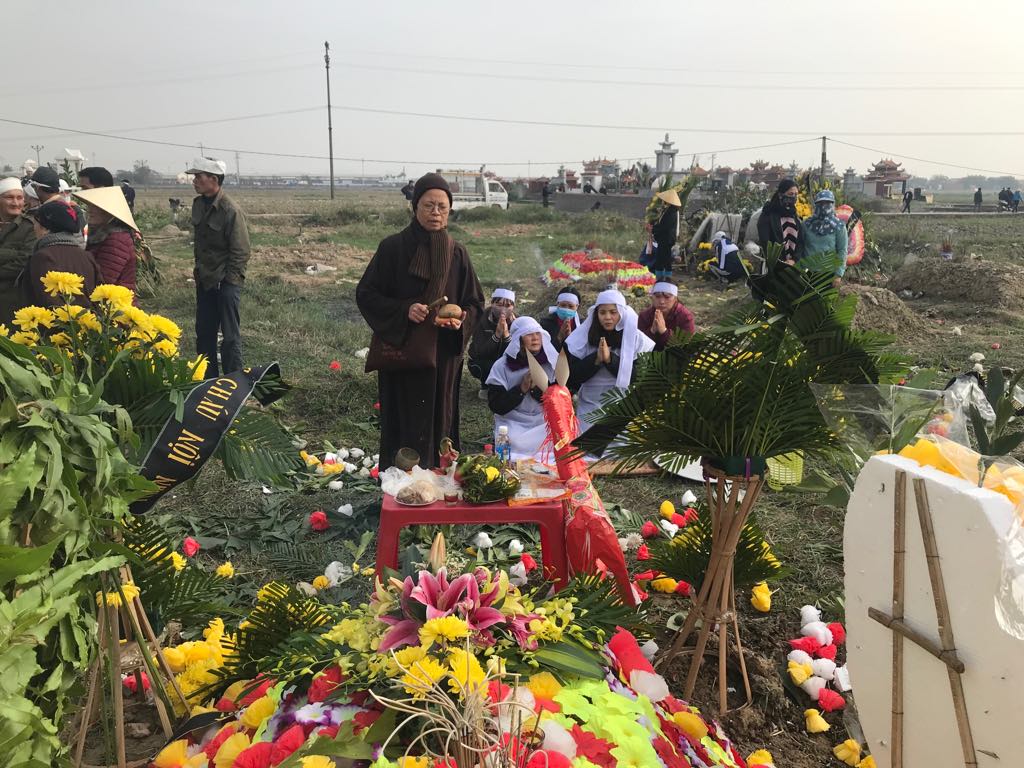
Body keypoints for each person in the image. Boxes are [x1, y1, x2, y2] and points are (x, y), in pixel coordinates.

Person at [356, 173, 484, 470]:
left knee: (440, 420)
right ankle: (399, 481)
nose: (435, 212)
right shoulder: (392, 248)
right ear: (415, 207)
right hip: (404, 352)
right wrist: (404, 310)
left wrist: (460, 321)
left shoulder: (457, 253)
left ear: (450, 211)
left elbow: (475, 303)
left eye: (442, 206)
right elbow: (366, 294)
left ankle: (437, 479)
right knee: (403, 418)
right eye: (428, 205)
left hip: (442, 355)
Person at [188, 157, 250, 377]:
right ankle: (208, 380)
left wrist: (229, 282)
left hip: (226, 281)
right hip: (205, 279)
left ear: (213, 180)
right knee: (204, 333)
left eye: (199, 177)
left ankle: (234, 381)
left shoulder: (230, 209)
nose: (194, 181)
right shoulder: (198, 204)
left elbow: (241, 250)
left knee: (230, 336)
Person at [565, 289, 655, 431]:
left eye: (613, 312)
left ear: (622, 313)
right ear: (596, 314)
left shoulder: (637, 339)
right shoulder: (583, 337)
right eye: (602, 313)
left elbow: (639, 377)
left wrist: (610, 360)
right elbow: (573, 377)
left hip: (623, 404)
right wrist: (595, 359)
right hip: (590, 404)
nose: (607, 317)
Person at [485, 316, 558, 461]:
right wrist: (521, 389)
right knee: (511, 442)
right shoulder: (502, 366)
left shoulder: (550, 363)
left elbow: (557, 402)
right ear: (519, 339)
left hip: (541, 421)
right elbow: (496, 405)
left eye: (538, 334)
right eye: (529, 334)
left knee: (557, 441)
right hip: (512, 422)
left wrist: (537, 389)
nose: (535, 338)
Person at [22, 201, 101, 308]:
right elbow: (99, 294)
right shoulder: (86, 256)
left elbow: (48, 301)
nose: (34, 228)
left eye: (36, 223)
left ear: (45, 228)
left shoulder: (43, 257)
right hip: (87, 317)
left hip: (58, 317)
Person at [74, 186, 139, 293]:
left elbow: (103, 280)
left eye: (95, 207)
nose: (90, 211)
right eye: (90, 206)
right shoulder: (104, 234)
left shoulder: (117, 240)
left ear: (109, 212)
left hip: (114, 301)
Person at [0, 177, 36, 324]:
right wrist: (12, 254)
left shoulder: (30, 227)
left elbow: (25, 261)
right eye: (9, 198)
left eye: (19, 198)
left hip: (13, 301)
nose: (15, 203)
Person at [468, 287, 516, 390]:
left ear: (513, 307)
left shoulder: (517, 323)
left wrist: (506, 335)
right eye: (499, 305)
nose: (503, 309)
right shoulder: (481, 319)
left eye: (508, 306)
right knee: (486, 365)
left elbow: (516, 354)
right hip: (485, 360)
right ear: (492, 304)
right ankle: (486, 385)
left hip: (506, 361)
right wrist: (497, 335)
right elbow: (480, 352)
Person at [801, 189, 849, 284]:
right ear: (815, 205)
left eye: (827, 203)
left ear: (833, 204)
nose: (824, 206)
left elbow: (842, 250)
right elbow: (801, 247)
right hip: (807, 273)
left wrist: (838, 274)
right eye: (820, 203)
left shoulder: (838, 226)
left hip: (829, 274)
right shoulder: (806, 224)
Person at [757, 178, 805, 264]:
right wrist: (781, 262)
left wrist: (794, 259)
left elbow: (800, 241)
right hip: (774, 264)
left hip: (792, 265)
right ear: (780, 195)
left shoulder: (793, 214)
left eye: (796, 194)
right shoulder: (768, 214)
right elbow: (765, 243)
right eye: (790, 194)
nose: (794, 197)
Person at [638, 280, 695, 350]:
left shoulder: (685, 317)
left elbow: (686, 346)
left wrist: (664, 332)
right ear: (652, 297)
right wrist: (652, 331)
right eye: (657, 296)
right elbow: (637, 344)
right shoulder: (644, 316)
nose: (662, 301)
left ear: (675, 298)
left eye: (667, 297)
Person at [649, 188, 681, 281]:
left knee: (663, 258)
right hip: (665, 238)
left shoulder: (671, 211)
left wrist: (653, 229)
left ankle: (664, 277)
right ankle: (663, 276)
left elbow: (664, 226)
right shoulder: (668, 210)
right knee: (663, 257)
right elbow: (661, 224)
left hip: (666, 239)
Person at [538, 286, 580, 352]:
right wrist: (559, 338)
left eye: (571, 306)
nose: (566, 309)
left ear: (577, 306)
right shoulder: (546, 323)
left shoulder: (582, 325)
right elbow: (543, 350)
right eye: (563, 305)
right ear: (557, 304)